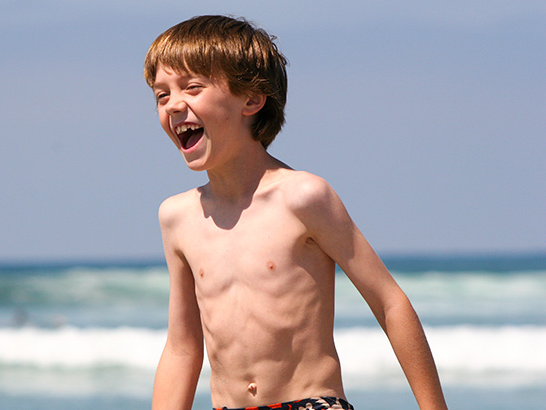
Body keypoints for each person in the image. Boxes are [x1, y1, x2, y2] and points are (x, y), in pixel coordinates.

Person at [143, 15, 447, 410]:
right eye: (161, 95)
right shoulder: (178, 217)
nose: (173, 104)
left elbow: (389, 302)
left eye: (192, 87)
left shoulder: (302, 197)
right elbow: (183, 348)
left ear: (251, 99)